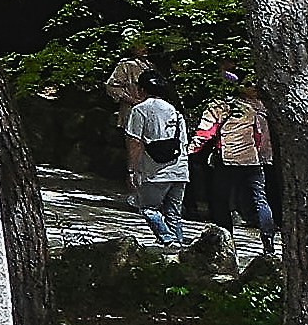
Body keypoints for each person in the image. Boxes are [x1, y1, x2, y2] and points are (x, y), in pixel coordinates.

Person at [119, 58, 194, 249]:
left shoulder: (140, 110)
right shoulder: (176, 112)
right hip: (180, 170)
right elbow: (183, 143)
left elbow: (135, 143)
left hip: (156, 171)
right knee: (174, 213)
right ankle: (177, 248)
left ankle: (167, 239)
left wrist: (132, 170)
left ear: (142, 89)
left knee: (147, 208)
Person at [201, 82, 277, 244]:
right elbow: (258, 136)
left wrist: (191, 149)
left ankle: (226, 239)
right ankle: (268, 237)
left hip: (228, 160)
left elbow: (207, 132)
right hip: (252, 160)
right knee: (260, 199)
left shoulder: (222, 107)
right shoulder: (255, 110)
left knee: (221, 200)